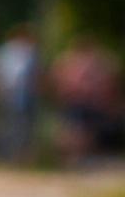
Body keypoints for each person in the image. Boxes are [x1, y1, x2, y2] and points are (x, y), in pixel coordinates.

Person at [51, 34, 121, 164]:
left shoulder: (86, 62)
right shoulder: (73, 62)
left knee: (84, 130)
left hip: (88, 103)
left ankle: (80, 156)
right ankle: (74, 156)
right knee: (76, 129)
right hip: (77, 102)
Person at [0, 24, 41, 161]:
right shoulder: (4, 53)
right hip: (8, 95)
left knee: (25, 127)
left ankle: (22, 155)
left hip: (26, 97)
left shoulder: (30, 53)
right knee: (7, 127)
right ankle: (6, 155)